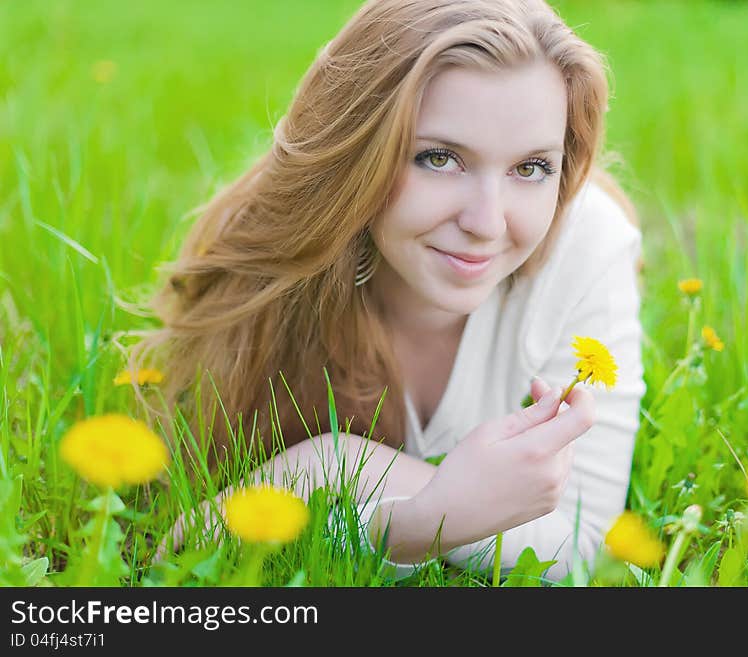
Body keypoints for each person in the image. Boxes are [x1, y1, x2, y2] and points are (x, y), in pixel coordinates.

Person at [131, 0, 645, 584]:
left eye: (530, 168)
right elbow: (177, 561)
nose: (487, 221)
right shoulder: (281, 272)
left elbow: (581, 548)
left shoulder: (588, 246)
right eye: (440, 158)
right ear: (358, 152)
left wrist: (344, 475)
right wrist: (412, 504)